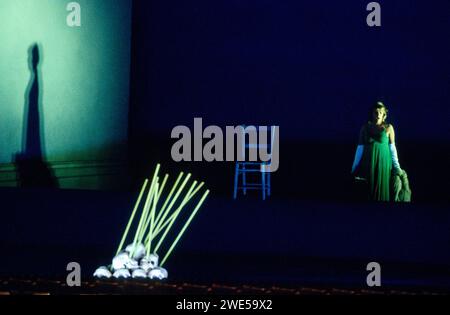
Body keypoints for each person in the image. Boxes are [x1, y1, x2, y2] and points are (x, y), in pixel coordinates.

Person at [351, 102, 403, 201]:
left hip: (383, 165)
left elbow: (393, 149)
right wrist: (354, 167)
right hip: (368, 164)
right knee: (368, 192)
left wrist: (397, 167)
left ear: (384, 114)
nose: (378, 114)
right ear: (372, 113)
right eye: (376, 112)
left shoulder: (389, 128)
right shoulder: (365, 128)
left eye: (380, 112)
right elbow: (360, 149)